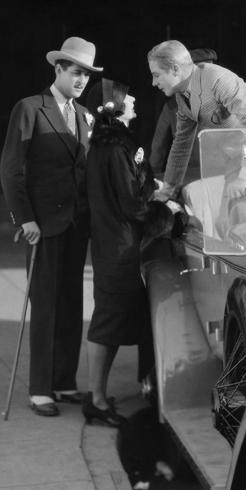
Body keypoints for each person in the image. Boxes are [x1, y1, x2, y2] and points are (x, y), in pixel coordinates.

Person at [0, 36, 99, 417]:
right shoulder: (29, 109)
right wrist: (25, 218)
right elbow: (11, 169)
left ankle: (63, 381)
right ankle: (40, 389)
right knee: (44, 306)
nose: (80, 80)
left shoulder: (87, 116)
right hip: (42, 224)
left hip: (76, 225)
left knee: (72, 304)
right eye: (75, 72)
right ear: (57, 69)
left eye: (86, 75)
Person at [83, 79, 154, 427]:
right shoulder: (115, 149)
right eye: (130, 97)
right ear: (116, 107)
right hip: (120, 246)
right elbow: (132, 203)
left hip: (115, 243)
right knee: (107, 321)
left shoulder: (108, 146)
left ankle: (97, 396)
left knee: (110, 320)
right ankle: (94, 399)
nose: (136, 99)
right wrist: (163, 209)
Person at [147, 39, 246, 201]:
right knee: (226, 222)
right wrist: (167, 191)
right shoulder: (182, 97)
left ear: (175, 69)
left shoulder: (217, 79)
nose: (154, 83)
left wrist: (245, 175)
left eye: (156, 75)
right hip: (241, 160)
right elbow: (180, 146)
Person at [148, 47, 217, 180]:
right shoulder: (224, 100)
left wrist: (151, 178)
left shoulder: (172, 106)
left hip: (190, 179)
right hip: (217, 177)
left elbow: (158, 149)